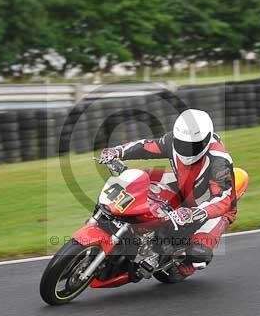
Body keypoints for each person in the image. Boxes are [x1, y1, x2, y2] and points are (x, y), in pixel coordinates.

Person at [98, 109, 236, 276]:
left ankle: (181, 263)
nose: (186, 149)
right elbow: (145, 147)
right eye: (182, 143)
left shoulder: (219, 161)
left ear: (205, 140)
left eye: (193, 145)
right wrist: (118, 151)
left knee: (198, 252)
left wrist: (195, 213)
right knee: (140, 179)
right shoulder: (172, 141)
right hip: (183, 187)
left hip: (212, 208)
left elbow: (223, 199)